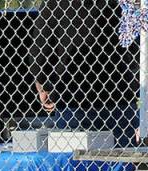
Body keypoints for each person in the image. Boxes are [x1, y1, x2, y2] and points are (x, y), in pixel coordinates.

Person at [29, 0, 137, 146]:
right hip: (118, 92)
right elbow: (135, 45)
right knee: (121, 160)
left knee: (74, 161)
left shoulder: (55, 3)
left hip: (72, 94)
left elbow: (40, 51)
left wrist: (43, 84)